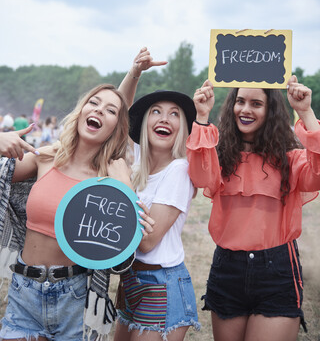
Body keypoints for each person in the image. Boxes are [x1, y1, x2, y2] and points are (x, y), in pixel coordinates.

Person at [0, 83, 154, 341]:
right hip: (24, 292)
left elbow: (138, 245)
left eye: (111, 110)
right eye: (94, 103)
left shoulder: (111, 178)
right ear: (82, 110)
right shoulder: (47, 157)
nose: (99, 110)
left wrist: (125, 186)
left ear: (116, 128)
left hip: (75, 298)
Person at [186, 75, 320, 341]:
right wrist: (201, 116)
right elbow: (201, 177)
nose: (245, 109)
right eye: (240, 101)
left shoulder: (290, 159)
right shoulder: (221, 155)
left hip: (277, 271)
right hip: (227, 269)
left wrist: (305, 112)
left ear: (270, 111)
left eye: (256, 103)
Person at [113, 50, 201, 341]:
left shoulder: (179, 170)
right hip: (129, 281)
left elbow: (148, 242)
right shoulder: (138, 161)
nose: (165, 118)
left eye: (174, 114)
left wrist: (123, 183)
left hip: (161, 283)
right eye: (156, 112)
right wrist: (135, 71)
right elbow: (118, 112)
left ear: (181, 129)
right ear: (145, 124)